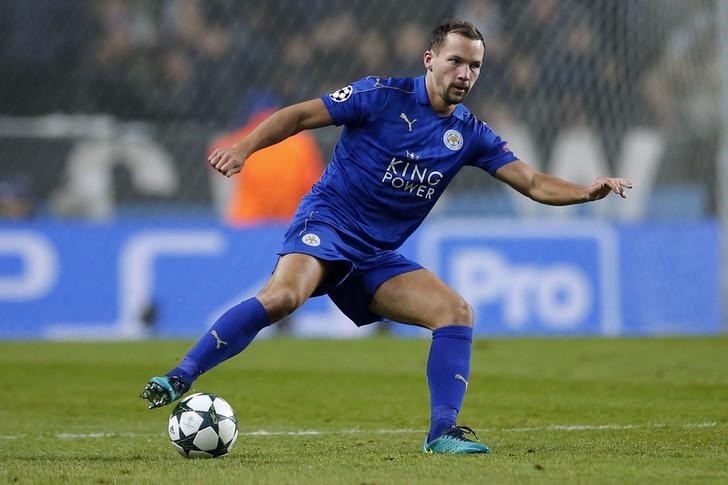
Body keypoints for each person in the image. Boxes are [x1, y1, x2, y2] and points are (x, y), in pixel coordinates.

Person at [141, 18, 632, 454]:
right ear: (431, 59)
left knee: (455, 312)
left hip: (375, 254)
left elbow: (532, 182)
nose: (464, 74)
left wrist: (586, 193)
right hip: (328, 224)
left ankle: (442, 433)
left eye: (475, 66)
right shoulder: (380, 96)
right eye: (456, 61)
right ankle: (180, 375)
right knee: (285, 296)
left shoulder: (471, 133)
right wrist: (243, 148)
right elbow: (297, 116)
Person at [208, 96, 325, 225]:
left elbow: (218, 155)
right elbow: (313, 184)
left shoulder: (238, 142)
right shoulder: (302, 143)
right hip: (289, 221)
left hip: (248, 223)